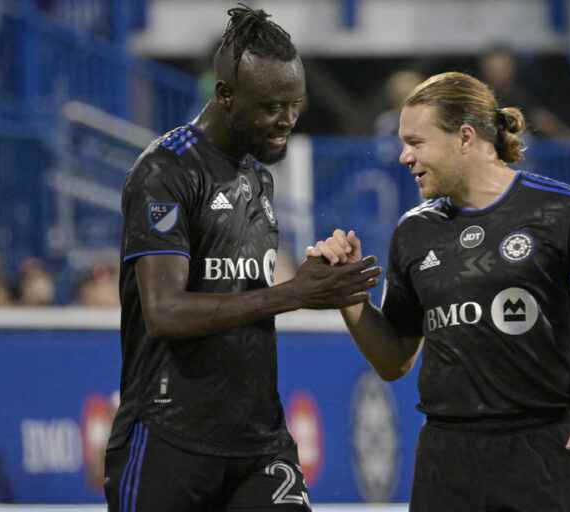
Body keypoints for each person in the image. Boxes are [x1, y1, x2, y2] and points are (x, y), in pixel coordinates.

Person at [309, 71, 570, 511]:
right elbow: (394, 360)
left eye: (416, 142)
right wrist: (350, 298)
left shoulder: (564, 210)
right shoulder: (413, 231)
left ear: (464, 137)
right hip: (447, 461)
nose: (404, 156)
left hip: (546, 454)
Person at [104, 5, 380, 511]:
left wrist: (316, 286)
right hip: (170, 436)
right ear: (225, 96)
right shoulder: (165, 172)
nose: (287, 121)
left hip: (258, 439)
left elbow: (244, 296)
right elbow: (164, 312)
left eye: (295, 104)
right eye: (271, 106)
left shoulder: (259, 177)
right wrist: (292, 293)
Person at [479, 44, 570, 139]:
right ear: (484, 68)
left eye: (503, 68)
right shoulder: (478, 97)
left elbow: (542, 120)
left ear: (512, 67)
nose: (498, 73)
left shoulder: (522, 96)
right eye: (493, 68)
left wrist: (566, 135)